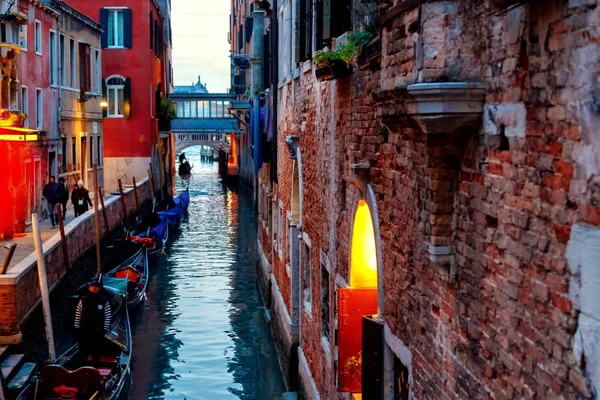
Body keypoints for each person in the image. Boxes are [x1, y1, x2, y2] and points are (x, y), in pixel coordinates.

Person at [74, 276, 112, 364]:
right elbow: (78, 315)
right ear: (89, 287)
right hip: (84, 330)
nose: (94, 288)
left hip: (98, 331)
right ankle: (84, 365)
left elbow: (108, 316)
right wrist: (77, 328)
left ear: (99, 288)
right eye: (92, 286)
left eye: (96, 286)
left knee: (96, 351)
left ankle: (95, 366)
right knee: (83, 350)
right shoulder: (83, 301)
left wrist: (104, 330)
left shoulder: (103, 301)